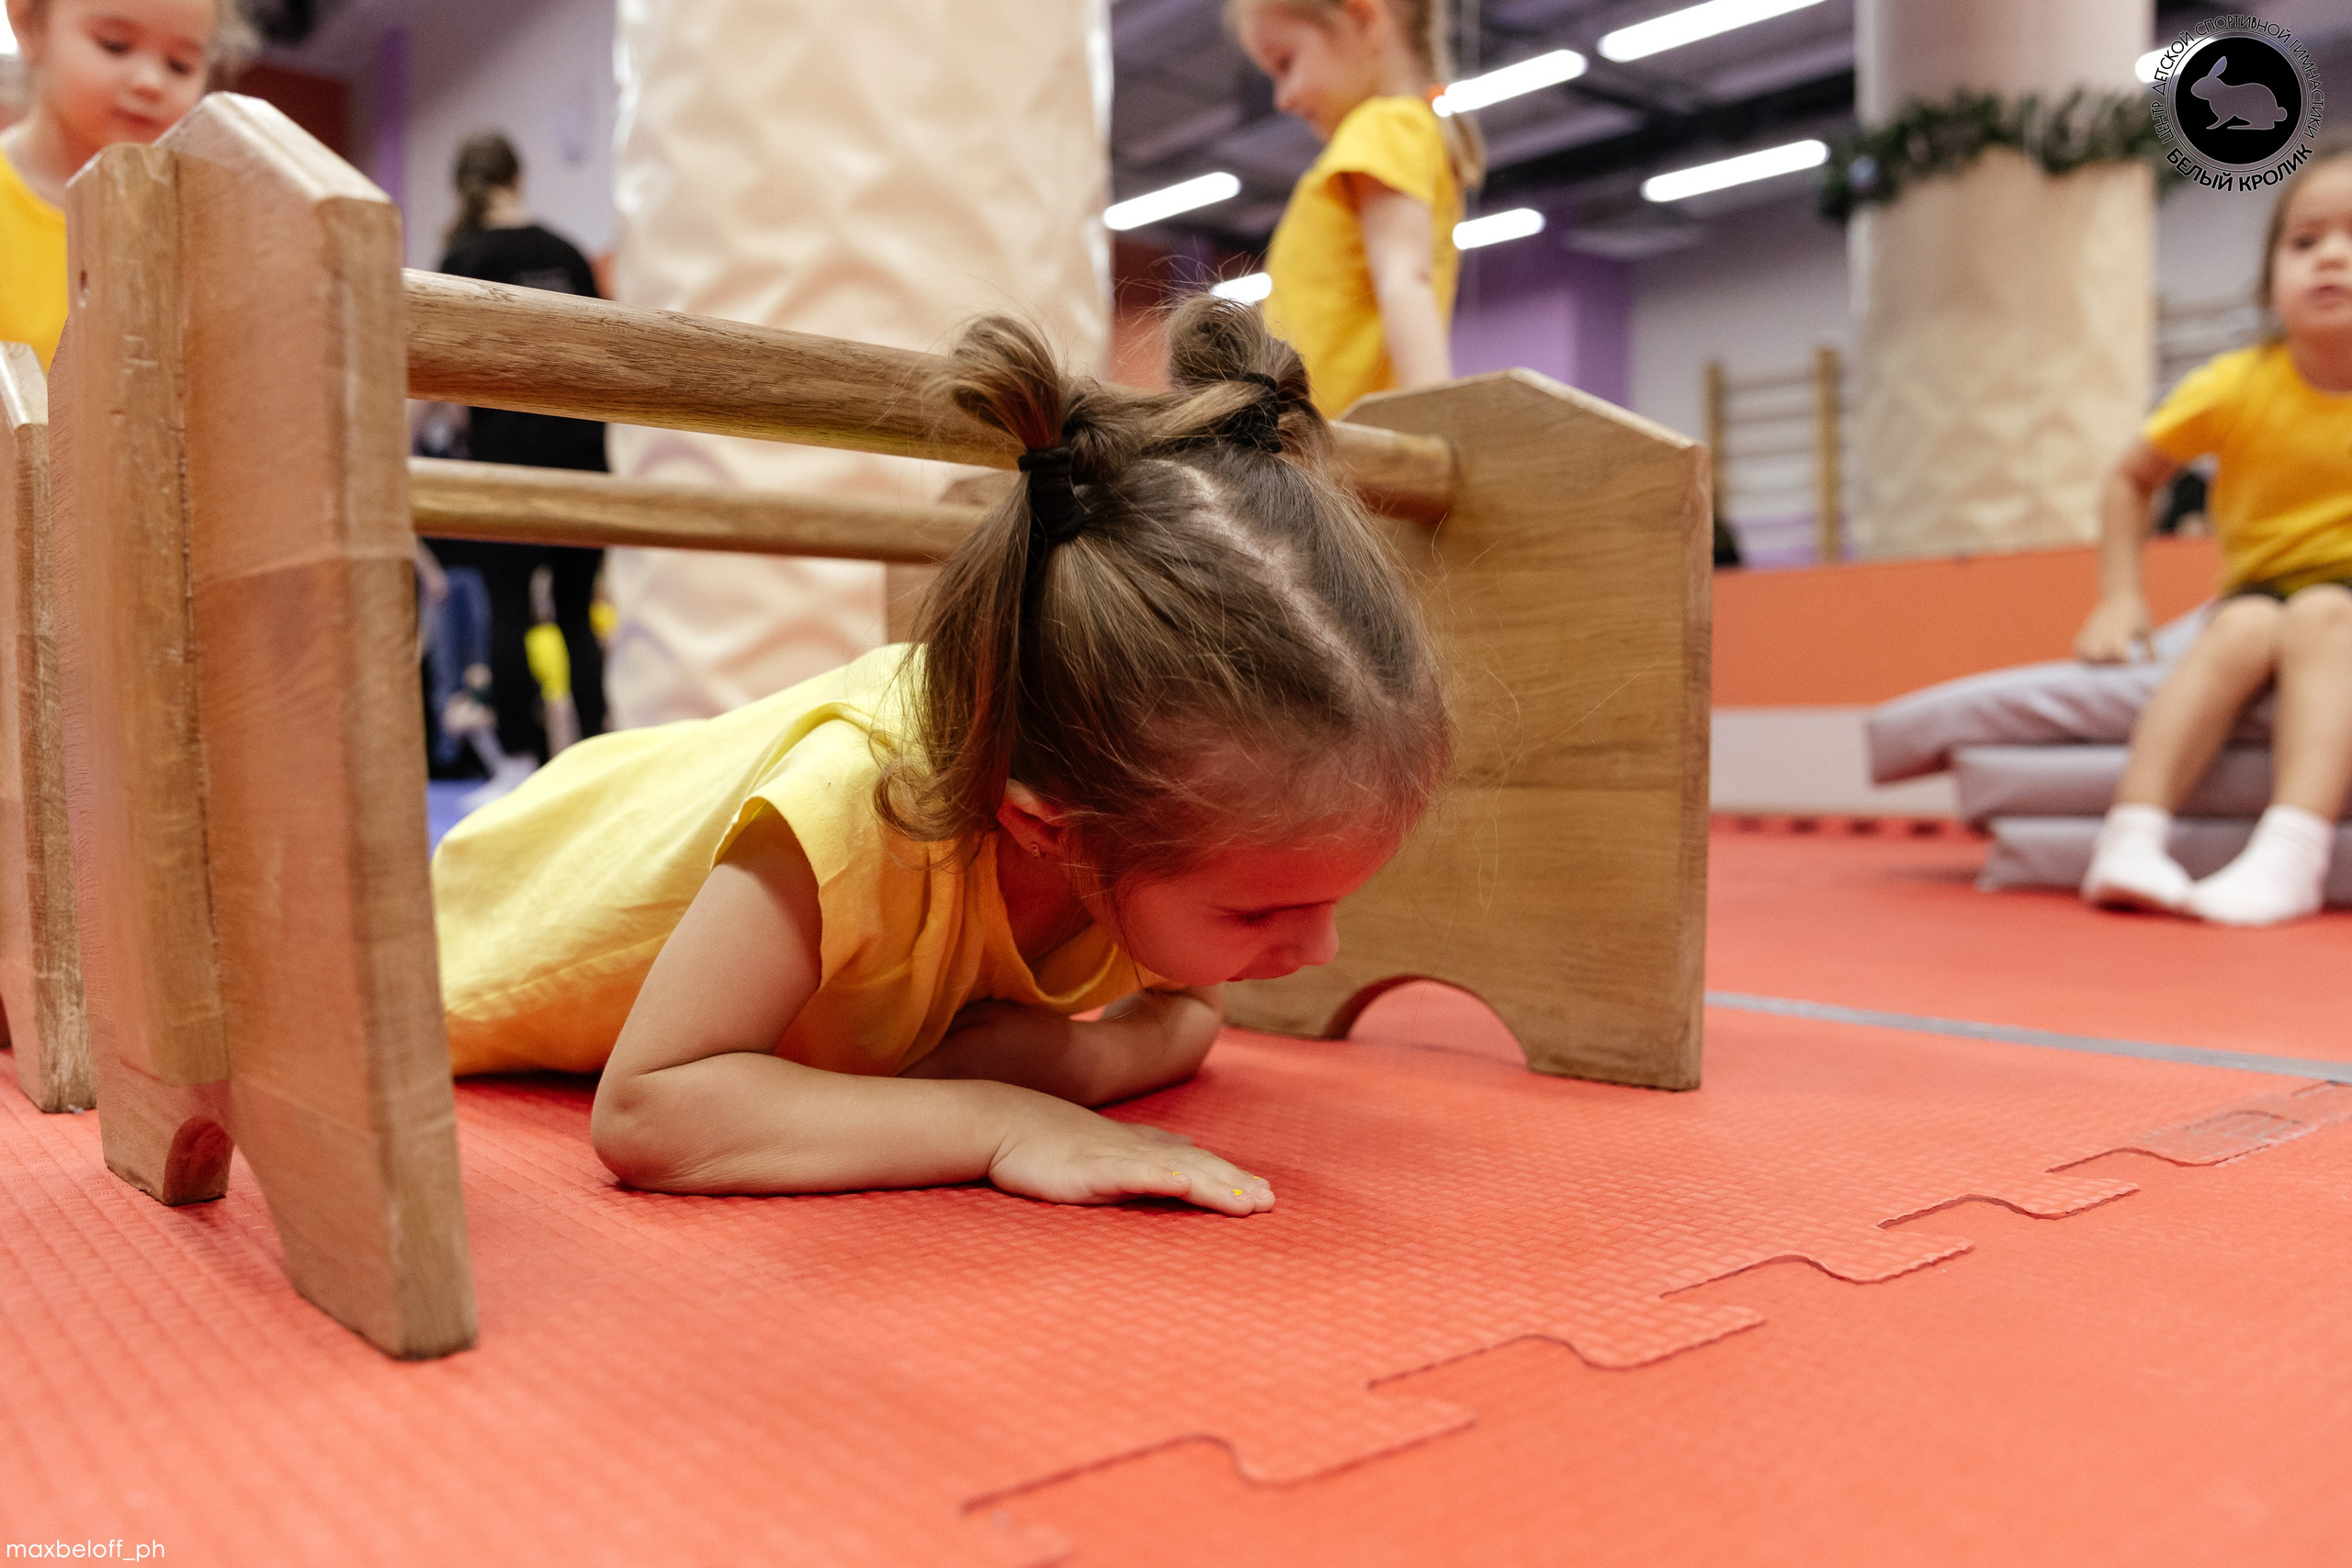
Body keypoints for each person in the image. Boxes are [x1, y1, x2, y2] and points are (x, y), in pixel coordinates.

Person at [431, 298, 1451, 1216]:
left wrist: (1066, 1054)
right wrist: (1002, 1116)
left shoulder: (1137, 799)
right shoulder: (859, 801)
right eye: (1262, 912)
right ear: (1047, 827)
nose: (1316, 950)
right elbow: (655, 1110)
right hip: (463, 925)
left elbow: (1183, 1014)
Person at [2076, 140, 2352, 926]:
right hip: (2260, 586)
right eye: (2305, 241)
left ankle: (2292, 853)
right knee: (2242, 629)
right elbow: (2131, 477)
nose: (2331, 257)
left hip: (2344, 598)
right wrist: (2121, 597)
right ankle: (2130, 835)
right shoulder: (2233, 387)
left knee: (2324, 616)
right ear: (2271, 282)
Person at [424, 131, 610, 799]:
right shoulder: (568, 255)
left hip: (506, 463)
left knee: (508, 611)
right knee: (574, 613)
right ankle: (595, 762)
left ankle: (518, 765)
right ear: (519, 177)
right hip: (583, 462)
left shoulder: (464, 257)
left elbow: (441, 379)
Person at [1228, 0, 1479, 416]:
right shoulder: (1393, 132)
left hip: (1334, 440)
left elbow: (1405, 280)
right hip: (1313, 439)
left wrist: (1439, 420)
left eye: (1286, 63)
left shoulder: (1386, 126)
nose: (1282, 99)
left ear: (1363, 18)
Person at [0, 0, 238, 367]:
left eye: (180, 65)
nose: (151, 83)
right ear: (29, 26)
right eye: (114, 45)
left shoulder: (197, 223)